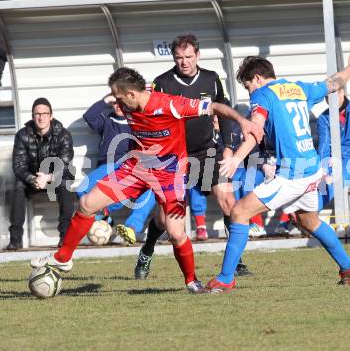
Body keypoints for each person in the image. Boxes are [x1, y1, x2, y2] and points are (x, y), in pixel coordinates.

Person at [30, 67, 262, 294]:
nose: (116, 104)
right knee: (87, 204)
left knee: (175, 232)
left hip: (170, 174)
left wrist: (243, 122)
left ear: (131, 94)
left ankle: (192, 282)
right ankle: (63, 258)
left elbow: (215, 106)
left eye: (119, 97)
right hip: (136, 168)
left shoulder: (169, 104)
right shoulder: (128, 102)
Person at [205, 46, 350, 293]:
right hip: (310, 167)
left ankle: (226, 278)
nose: (250, 93)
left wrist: (237, 158)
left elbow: (255, 130)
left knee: (239, 212)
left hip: (292, 174)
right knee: (308, 220)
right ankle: (348, 266)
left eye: (249, 86)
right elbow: (333, 83)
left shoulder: (263, 95)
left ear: (257, 79)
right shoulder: (299, 88)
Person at [127, 34, 252, 279]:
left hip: (208, 150)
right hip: (174, 157)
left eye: (188, 57)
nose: (184, 62)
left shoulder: (211, 79)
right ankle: (147, 249)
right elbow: (149, 117)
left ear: (198, 55)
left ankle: (235, 260)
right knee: (166, 219)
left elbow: (223, 111)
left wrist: (227, 146)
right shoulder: (162, 83)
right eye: (179, 58)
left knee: (228, 202)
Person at [77, 94, 156, 242]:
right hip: (107, 166)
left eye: (122, 102)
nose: (119, 106)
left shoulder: (138, 121)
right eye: (115, 102)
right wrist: (106, 99)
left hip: (128, 167)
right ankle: (102, 216)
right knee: (83, 189)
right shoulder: (107, 120)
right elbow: (89, 116)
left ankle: (131, 227)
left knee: (151, 188)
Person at [8, 98, 74, 250]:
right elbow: (19, 165)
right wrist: (32, 179)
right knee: (18, 185)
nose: (41, 117)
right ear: (32, 116)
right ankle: (15, 239)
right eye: (37, 114)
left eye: (45, 113)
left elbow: (65, 165)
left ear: (51, 116)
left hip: (55, 179)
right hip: (32, 180)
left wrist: (48, 177)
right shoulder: (22, 135)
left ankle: (65, 238)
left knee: (66, 184)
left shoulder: (64, 135)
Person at [317, 88, 350, 211]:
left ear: (342, 92)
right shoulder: (323, 118)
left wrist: (339, 157)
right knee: (315, 179)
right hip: (332, 159)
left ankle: (309, 214)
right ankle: (291, 217)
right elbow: (324, 147)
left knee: (332, 181)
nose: (329, 99)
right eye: (327, 96)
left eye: (333, 95)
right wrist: (324, 169)